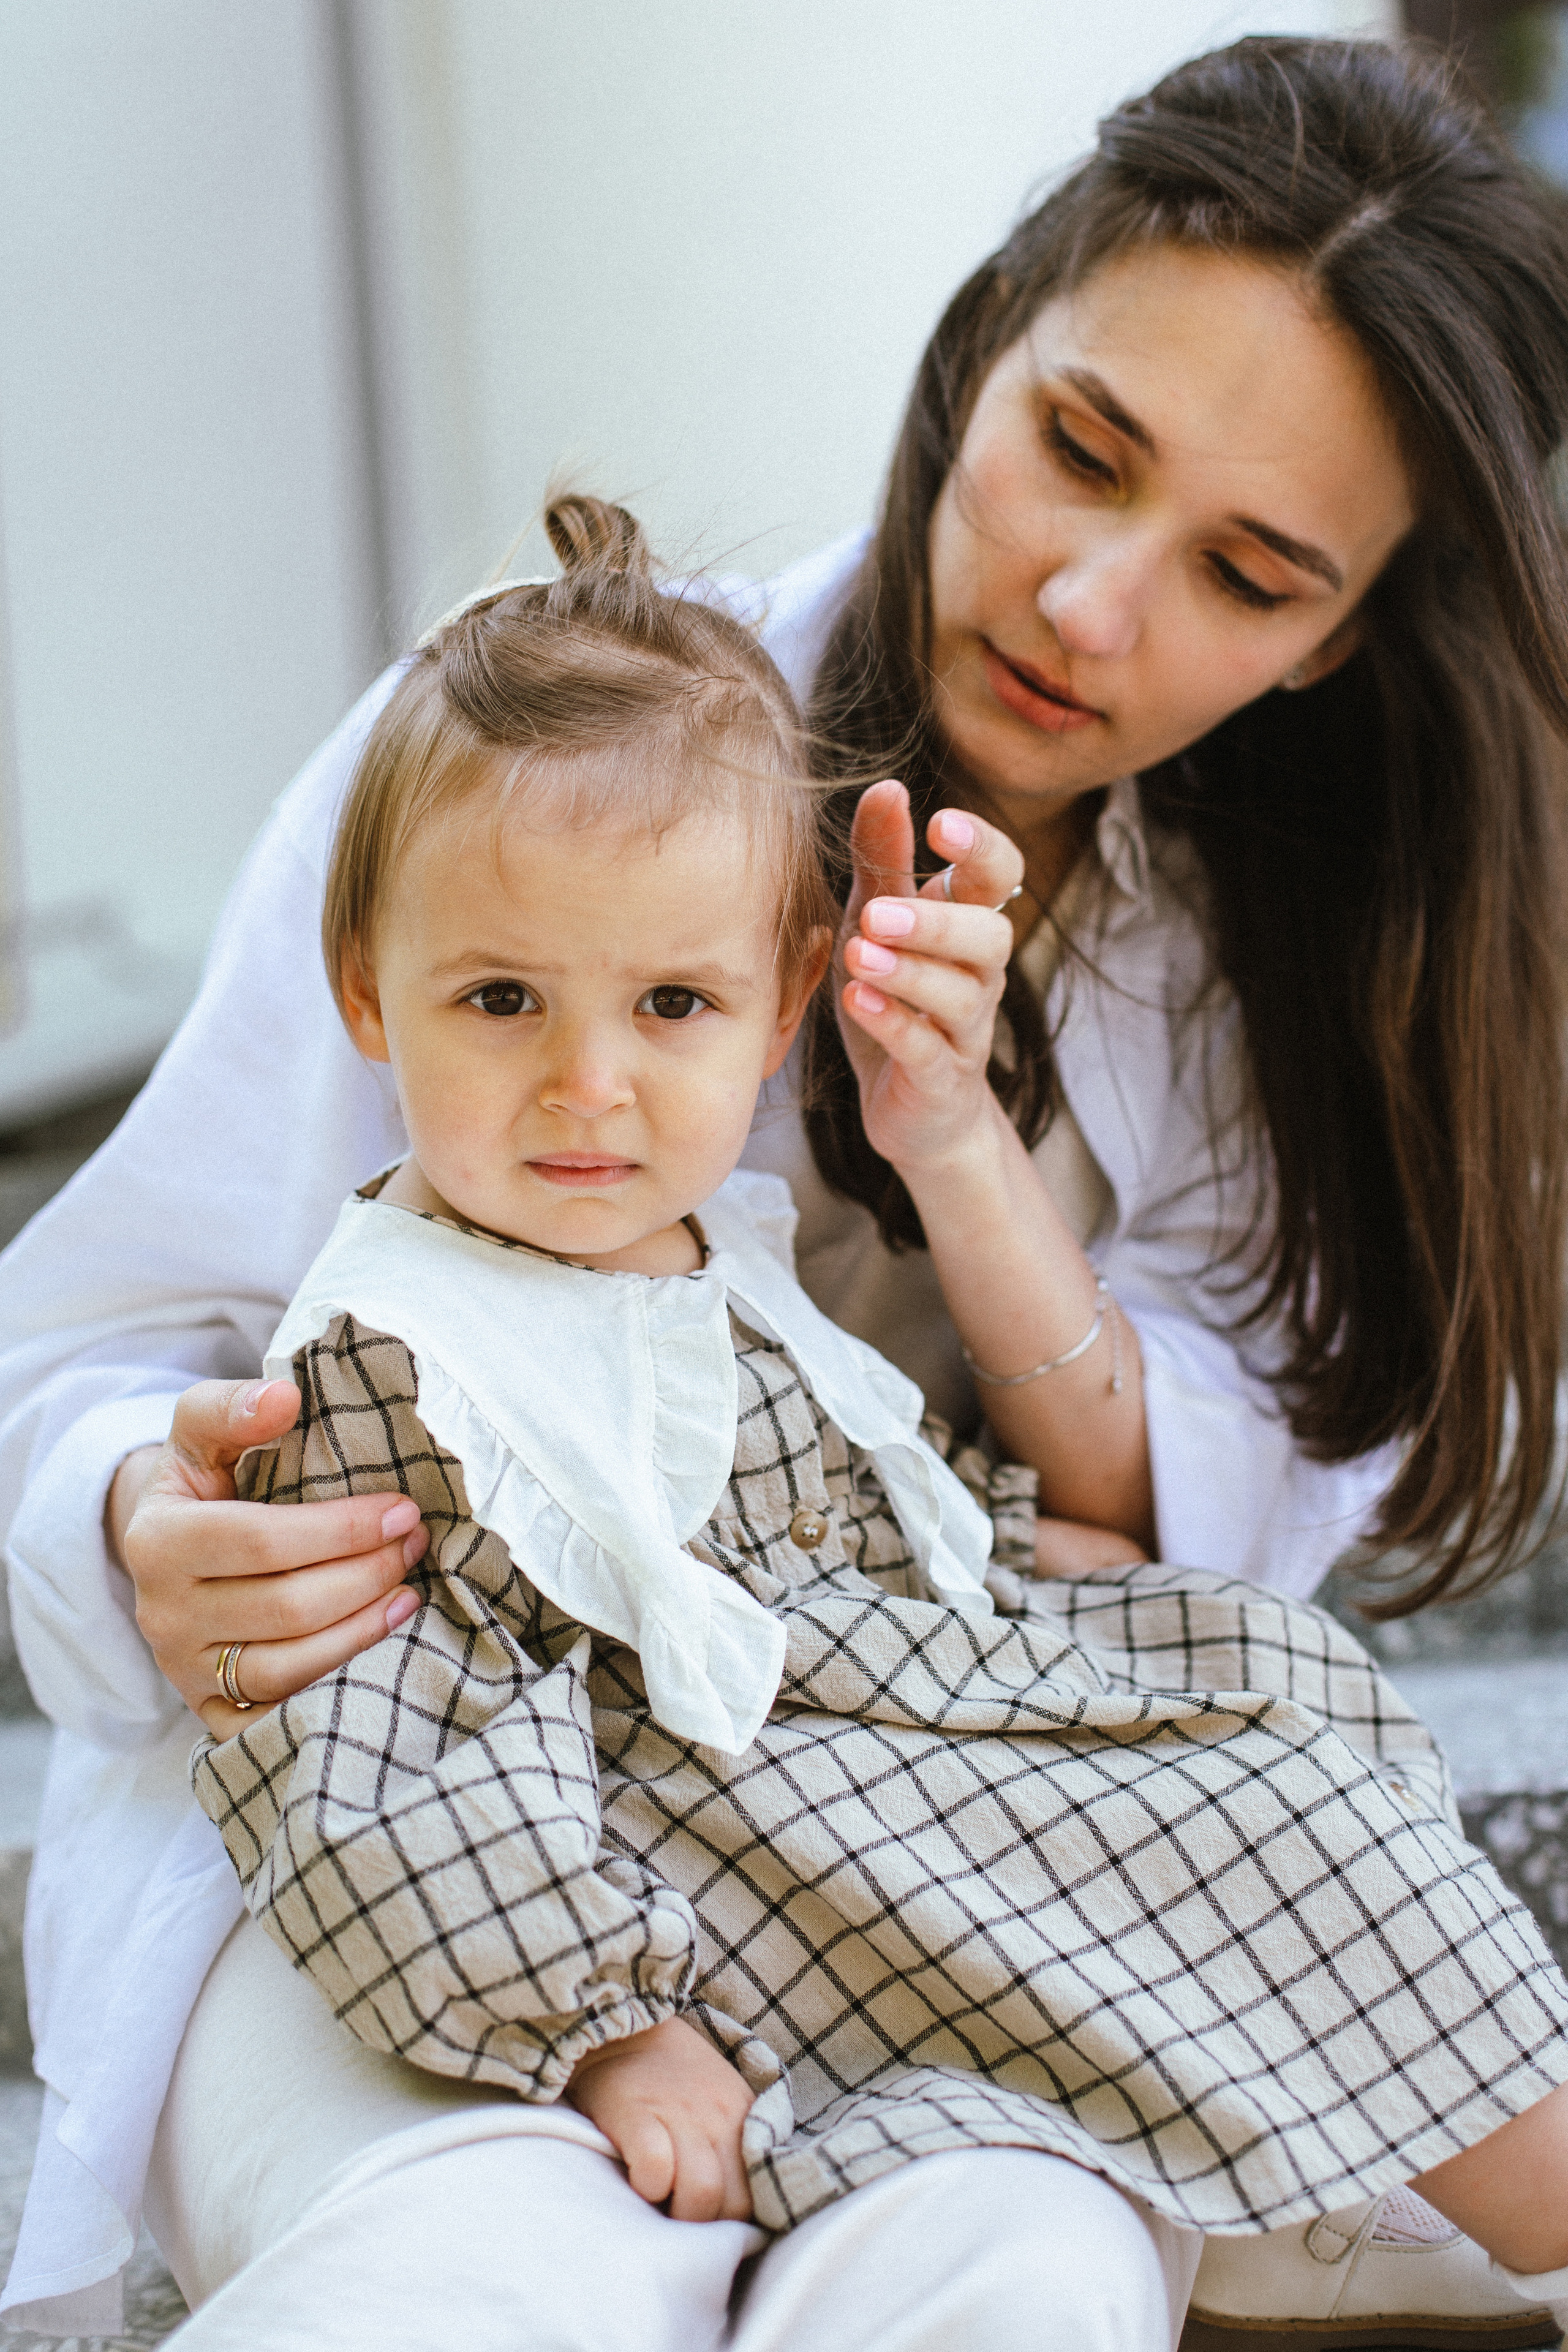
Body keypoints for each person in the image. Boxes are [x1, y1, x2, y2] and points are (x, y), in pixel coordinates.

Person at [3, 28, 1567, 2342]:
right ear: (985, 348)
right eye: (1078, 452)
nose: (1089, 606)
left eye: (1244, 572)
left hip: (913, 1854)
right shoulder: (548, 748)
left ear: (1337, 632)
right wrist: (155, 1510)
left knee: (1020, 2271)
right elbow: (89, 1345)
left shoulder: (1284, 953)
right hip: (438, 1816)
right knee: (511, 2260)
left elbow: (1200, 1523)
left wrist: (961, 1159)